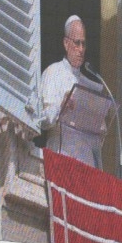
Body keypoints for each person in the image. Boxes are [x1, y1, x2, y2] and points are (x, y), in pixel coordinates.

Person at [38, 15, 108, 170]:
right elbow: (42, 121)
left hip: (87, 163)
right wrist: (60, 107)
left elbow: (98, 140)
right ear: (66, 43)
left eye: (84, 44)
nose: (81, 49)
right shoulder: (53, 72)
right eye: (77, 43)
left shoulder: (90, 84)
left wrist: (100, 123)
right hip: (61, 157)